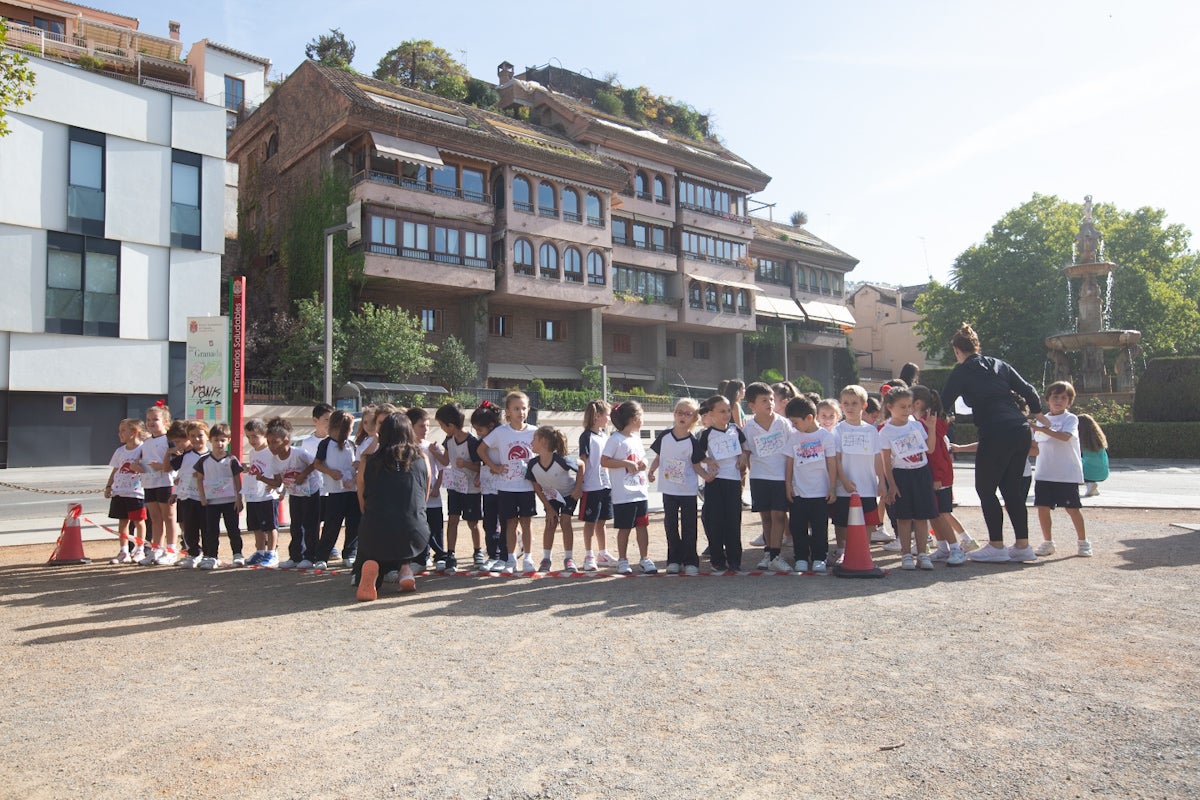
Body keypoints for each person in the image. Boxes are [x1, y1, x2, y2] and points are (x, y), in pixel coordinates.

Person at [940, 323, 1042, 563]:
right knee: (1011, 490)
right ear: (977, 346)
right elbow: (1029, 390)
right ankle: (1023, 545)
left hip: (995, 431)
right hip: (1020, 429)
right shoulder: (1000, 365)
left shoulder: (962, 370)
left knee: (986, 489)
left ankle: (996, 546)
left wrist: (935, 420)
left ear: (957, 349)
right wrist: (1036, 413)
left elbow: (943, 402)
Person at [354, 412, 432, 600]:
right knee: (403, 527)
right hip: (415, 532)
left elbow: (362, 499)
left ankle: (371, 569)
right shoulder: (422, 459)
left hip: (375, 530)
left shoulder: (367, 460)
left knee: (372, 532)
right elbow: (424, 499)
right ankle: (405, 570)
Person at [478, 392, 538, 575]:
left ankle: (528, 557)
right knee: (509, 524)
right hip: (506, 487)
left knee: (526, 523)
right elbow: (481, 450)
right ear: (508, 411)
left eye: (524, 408)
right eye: (516, 408)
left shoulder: (534, 431)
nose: (521, 412)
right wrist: (494, 467)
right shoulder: (500, 432)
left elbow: (543, 453)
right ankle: (511, 559)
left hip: (527, 486)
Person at [878, 387, 938, 570]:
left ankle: (922, 554)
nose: (907, 411)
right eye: (902, 407)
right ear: (890, 407)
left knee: (921, 517)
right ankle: (905, 554)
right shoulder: (885, 432)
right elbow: (886, 462)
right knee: (903, 518)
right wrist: (891, 485)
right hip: (901, 475)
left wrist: (932, 428)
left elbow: (930, 449)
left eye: (909, 406)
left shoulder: (917, 425)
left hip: (921, 473)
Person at [1031, 382, 1092, 557]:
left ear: (1069, 402)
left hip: (1066, 474)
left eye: (1063, 398)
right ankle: (1048, 542)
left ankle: (1083, 542)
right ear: (1048, 400)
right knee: (1042, 508)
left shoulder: (1070, 419)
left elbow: (1065, 437)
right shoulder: (1040, 421)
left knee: (1072, 509)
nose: (1058, 401)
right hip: (1044, 472)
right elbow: (1035, 446)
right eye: (1055, 397)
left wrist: (1041, 429)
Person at [911, 386, 968, 566]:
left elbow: (934, 454)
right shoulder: (928, 422)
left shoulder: (927, 423)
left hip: (938, 477)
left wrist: (937, 477)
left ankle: (956, 548)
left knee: (941, 514)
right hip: (935, 476)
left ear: (917, 403)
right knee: (933, 514)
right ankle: (943, 548)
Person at [648, 398, 704, 575]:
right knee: (670, 525)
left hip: (687, 490)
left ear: (694, 418)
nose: (683, 416)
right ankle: (673, 559)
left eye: (688, 414)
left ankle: (690, 561)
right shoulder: (664, 436)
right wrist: (651, 471)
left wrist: (708, 476)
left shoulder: (693, 441)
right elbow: (658, 457)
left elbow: (697, 464)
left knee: (689, 526)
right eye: (680, 412)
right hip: (668, 489)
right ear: (674, 414)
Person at [741, 382, 792, 571]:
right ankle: (768, 553)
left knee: (779, 515)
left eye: (771, 399)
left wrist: (789, 479)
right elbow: (746, 455)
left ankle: (777, 555)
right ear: (752, 405)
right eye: (764, 400)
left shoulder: (783, 423)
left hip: (780, 477)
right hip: (759, 478)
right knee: (766, 517)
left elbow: (791, 453)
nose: (769, 403)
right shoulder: (748, 428)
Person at [784, 396, 838, 573]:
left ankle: (819, 557)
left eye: (795, 422)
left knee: (820, 528)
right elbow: (789, 463)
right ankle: (800, 557)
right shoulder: (793, 437)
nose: (793, 426)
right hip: (799, 493)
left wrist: (832, 487)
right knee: (797, 527)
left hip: (820, 493)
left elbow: (832, 463)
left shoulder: (826, 437)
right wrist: (788, 485)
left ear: (809, 418)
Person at [600, 401, 655, 574]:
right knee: (624, 528)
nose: (643, 420)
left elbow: (643, 457)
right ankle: (622, 560)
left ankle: (645, 558)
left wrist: (644, 463)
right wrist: (624, 463)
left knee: (642, 526)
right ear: (633, 418)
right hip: (623, 495)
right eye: (641, 416)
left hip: (640, 491)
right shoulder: (615, 439)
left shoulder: (636, 438)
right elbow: (604, 461)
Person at [832, 385, 887, 557]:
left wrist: (882, 482)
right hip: (844, 487)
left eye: (854, 403)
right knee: (842, 521)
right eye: (846, 403)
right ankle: (842, 551)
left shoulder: (871, 431)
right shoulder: (838, 430)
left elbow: (878, 458)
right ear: (841, 406)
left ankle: (864, 551)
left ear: (863, 406)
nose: (850, 407)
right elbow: (836, 459)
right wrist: (844, 480)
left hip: (867, 485)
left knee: (868, 520)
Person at [695, 394, 747, 572]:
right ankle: (717, 559)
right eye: (721, 411)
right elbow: (697, 456)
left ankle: (735, 559)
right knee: (715, 521)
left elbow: (744, 450)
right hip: (715, 482)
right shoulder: (706, 434)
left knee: (733, 520)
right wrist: (708, 461)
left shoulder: (735, 430)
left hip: (733, 482)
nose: (726, 415)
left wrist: (742, 458)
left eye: (728, 411)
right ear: (711, 413)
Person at [261, 417, 321, 569]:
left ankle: (310, 556)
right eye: (268, 442)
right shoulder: (274, 461)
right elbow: (278, 482)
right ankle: (295, 556)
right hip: (294, 494)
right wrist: (262, 479)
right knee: (295, 526)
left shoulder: (299, 454)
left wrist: (303, 475)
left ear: (286, 441)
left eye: (275, 442)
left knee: (310, 525)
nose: (271, 446)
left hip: (310, 492)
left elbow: (315, 463)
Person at [435, 402, 485, 572]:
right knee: (453, 519)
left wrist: (465, 464)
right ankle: (450, 553)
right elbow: (445, 461)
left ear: (451, 425)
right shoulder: (448, 440)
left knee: (473, 522)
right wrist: (434, 452)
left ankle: (478, 552)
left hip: (471, 489)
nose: (442, 428)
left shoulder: (472, 442)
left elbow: (480, 466)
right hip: (455, 487)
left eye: (442, 425)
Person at [310, 409, 361, 570]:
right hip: (335, 492)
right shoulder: (325, 444)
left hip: (352, 491)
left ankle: (350, 553)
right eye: (348, 428)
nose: (349, 432)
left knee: (354, 524)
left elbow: (356, 465)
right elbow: (317, 464)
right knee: (332, 525)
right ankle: (322, 556)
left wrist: (354, 475)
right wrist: (330, 472)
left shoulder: (351, 445)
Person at [526, 426, 579, 572]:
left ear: (543, 441)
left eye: (534, 439)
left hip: (568, 494)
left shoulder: (561, 460)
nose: (531, 443)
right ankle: (546, 559)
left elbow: (581, 465)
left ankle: (569, 558)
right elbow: (536, 487)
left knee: (566, 521)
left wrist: (578, 487)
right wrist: (548, 508)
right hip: (551, 496)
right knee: (550, 523)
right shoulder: (532, 464)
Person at [194, 422, 244, 569]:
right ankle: (211, 556)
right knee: (211, 531)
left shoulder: (231, 460)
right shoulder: (203, 461)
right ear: (211, 440)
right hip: (211, 502)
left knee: (233, 529)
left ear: (228, 440)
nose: (219, 443)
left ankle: (237, 554)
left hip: (230, 501)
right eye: (216, 440)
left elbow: (237, 479)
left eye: (223, 440)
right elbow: (199, 479)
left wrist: (238, 499)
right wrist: (202, 497)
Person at [575, 399, 618, 571]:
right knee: (590, 522)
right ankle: (588, 555)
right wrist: (578, 485)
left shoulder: (605, 436)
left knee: (602, 521)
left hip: (605, 485)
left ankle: (603, 553)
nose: (609, 419)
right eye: (607, 415)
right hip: (591, 487)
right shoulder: (586, 436)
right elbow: (583, 462)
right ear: (598, 416)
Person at [406, 407, 448, 572]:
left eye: (427, 426)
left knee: (436, 527)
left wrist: (436, 488)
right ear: (410, 427)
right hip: (415, 500)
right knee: (418, 528)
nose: (425, 430)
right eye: (421, 426)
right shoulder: (405, 448)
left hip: (433, 498)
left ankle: (440, 556)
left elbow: (443, 467)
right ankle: (421, 558)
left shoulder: (431, 447)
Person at [468, 401, 506, 573]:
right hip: (489, 486)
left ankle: (504, 555)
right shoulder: (482, 441)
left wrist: (496, 467)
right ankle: (493, 555)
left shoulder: (502, 435)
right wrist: (479, 474)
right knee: (490, 522)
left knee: (505, 521)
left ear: (491, 426)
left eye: (480, 430)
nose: (478, 434)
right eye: (476, 430)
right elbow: (482, 460)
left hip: (506, 486)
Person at [139, 402, 179, 565]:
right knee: (154, 518)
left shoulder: (169, 440)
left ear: (165, 422)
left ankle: (171, 549)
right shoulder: (146, 442)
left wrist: (163, 467)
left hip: (165, 482)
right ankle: (157, 549)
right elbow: (145, 461)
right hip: (149, 483)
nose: (150, 423)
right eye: (148, 420)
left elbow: (176, 461)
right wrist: (138, 467)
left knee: (169, 516)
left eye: (155, 419)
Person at [105, 419, 147, 564]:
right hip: (119, 492)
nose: (120, 434)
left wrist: (139, 468)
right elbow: (116, 469)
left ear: (134, 432)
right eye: (119, 430)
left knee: (139, 522)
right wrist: (109, 486)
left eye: (123, 430)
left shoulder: (143, 449)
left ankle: (140, 549)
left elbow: (148, 470)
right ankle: (124, 551)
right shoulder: (120, 451)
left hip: (136, 493)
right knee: (123, 522)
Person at [242, 418, 280, 568]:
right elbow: (256, 469)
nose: (252, 440)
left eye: (255, 436)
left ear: (265, 435)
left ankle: (272, 552)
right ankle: (260, 551)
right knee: (256, 525)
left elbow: (278, 470)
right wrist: (248, 470)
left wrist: (279, 487)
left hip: (268, 494)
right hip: (254, 493)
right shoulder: (252, 453)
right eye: (249, 436)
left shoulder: (271, 451)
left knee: (270, 525)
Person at [173, 421, 210, 568]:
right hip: (188, 497)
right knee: (189, 528)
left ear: (207, 436)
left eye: (200, 435)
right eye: (192, 436)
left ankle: (209, 554)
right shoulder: (185, 456)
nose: (196, 439)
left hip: (207, 499)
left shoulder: (212, 456)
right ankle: (193, 553)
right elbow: (178, 474)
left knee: (207, 528)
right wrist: (175, 493)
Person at [1078, 413, 1109, 498]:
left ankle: (1089, 484)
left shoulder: (1080, 442)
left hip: (1087, 473)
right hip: (1103, 473)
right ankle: (1091, 487)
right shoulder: (1099, 439)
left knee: (1072, 466)